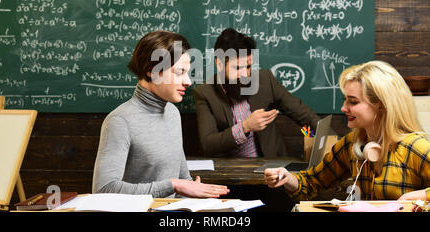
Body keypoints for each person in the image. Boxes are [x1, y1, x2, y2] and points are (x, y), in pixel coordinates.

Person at [265, 60, 429, 201]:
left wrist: (419, 196)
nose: (344, 108)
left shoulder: (415, 147)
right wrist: (287, 178)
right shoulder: (352, 144)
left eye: (353, 102)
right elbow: (310, 183)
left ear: (381, 105)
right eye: (345, 100)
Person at [92, 30, 229, 198]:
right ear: (152, 70)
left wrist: (195, 199)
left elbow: (183, 180)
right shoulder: (119, 121)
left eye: (188, 73)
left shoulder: (172, 113)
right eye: (180, 72)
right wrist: (173, 185)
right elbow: (103, 190)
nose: (188, 81)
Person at [193, 28, 320, 157]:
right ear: (219, 64)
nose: (245, 75)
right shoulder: (204, 93)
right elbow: (208, 144)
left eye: (248, 66)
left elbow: (304, 116)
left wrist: (333, 145)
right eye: (237, 68)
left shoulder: (265, 80)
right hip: (231, 171)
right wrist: (245, 127)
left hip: (272, 166)